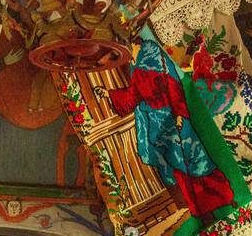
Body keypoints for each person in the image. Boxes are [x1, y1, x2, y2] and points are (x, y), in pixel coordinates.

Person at [94, 39, 235, 221]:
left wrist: (178, 113)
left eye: (132, 49)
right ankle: (199, 210)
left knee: (193, 162)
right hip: (155, 124)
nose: (130, 56)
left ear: (137, 46)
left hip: (172, 119)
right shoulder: (136, 67)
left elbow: (173, 86)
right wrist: (108, 94)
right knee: (174, 167)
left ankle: (222, 199)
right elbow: (134, 95)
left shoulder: (155, 60)